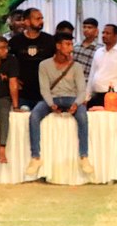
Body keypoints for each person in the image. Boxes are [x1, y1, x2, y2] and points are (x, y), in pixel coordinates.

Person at [25, 32, 93, 177]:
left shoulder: (76, 66)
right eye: (67, 44)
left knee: (82, 115)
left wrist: (76, 103)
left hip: (71, 98)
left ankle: (84, 156)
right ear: (58, 46)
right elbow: (44, 89)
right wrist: (51, 104)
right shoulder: (44, 65)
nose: (71, 48)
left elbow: (82, 90)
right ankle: (35, 157)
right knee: (34, 115)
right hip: (52, 98)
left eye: (71, 44)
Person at [8, 8, 56, 110]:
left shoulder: (50, 40)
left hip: (45, 93)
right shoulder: (15, 41)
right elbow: (5, 62)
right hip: (23, 94)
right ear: (26, 21)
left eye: (42, 18)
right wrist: (11, 78)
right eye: (37, 19)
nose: (41, 21)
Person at [0, 37, 21, 164]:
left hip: (2, 97)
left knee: (4, 114)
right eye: (2, 48)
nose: (5, 50)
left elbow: (13, 84)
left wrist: (16, 106)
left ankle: (2, 149)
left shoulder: (11, 60)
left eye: (6, 48)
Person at [73, 17, 101, 82]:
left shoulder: (99, 49)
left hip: (90, 83)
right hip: (74, 82)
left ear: (96, 30)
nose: (86, 30)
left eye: (89, 27)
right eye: (84, 27)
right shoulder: (76, 46)